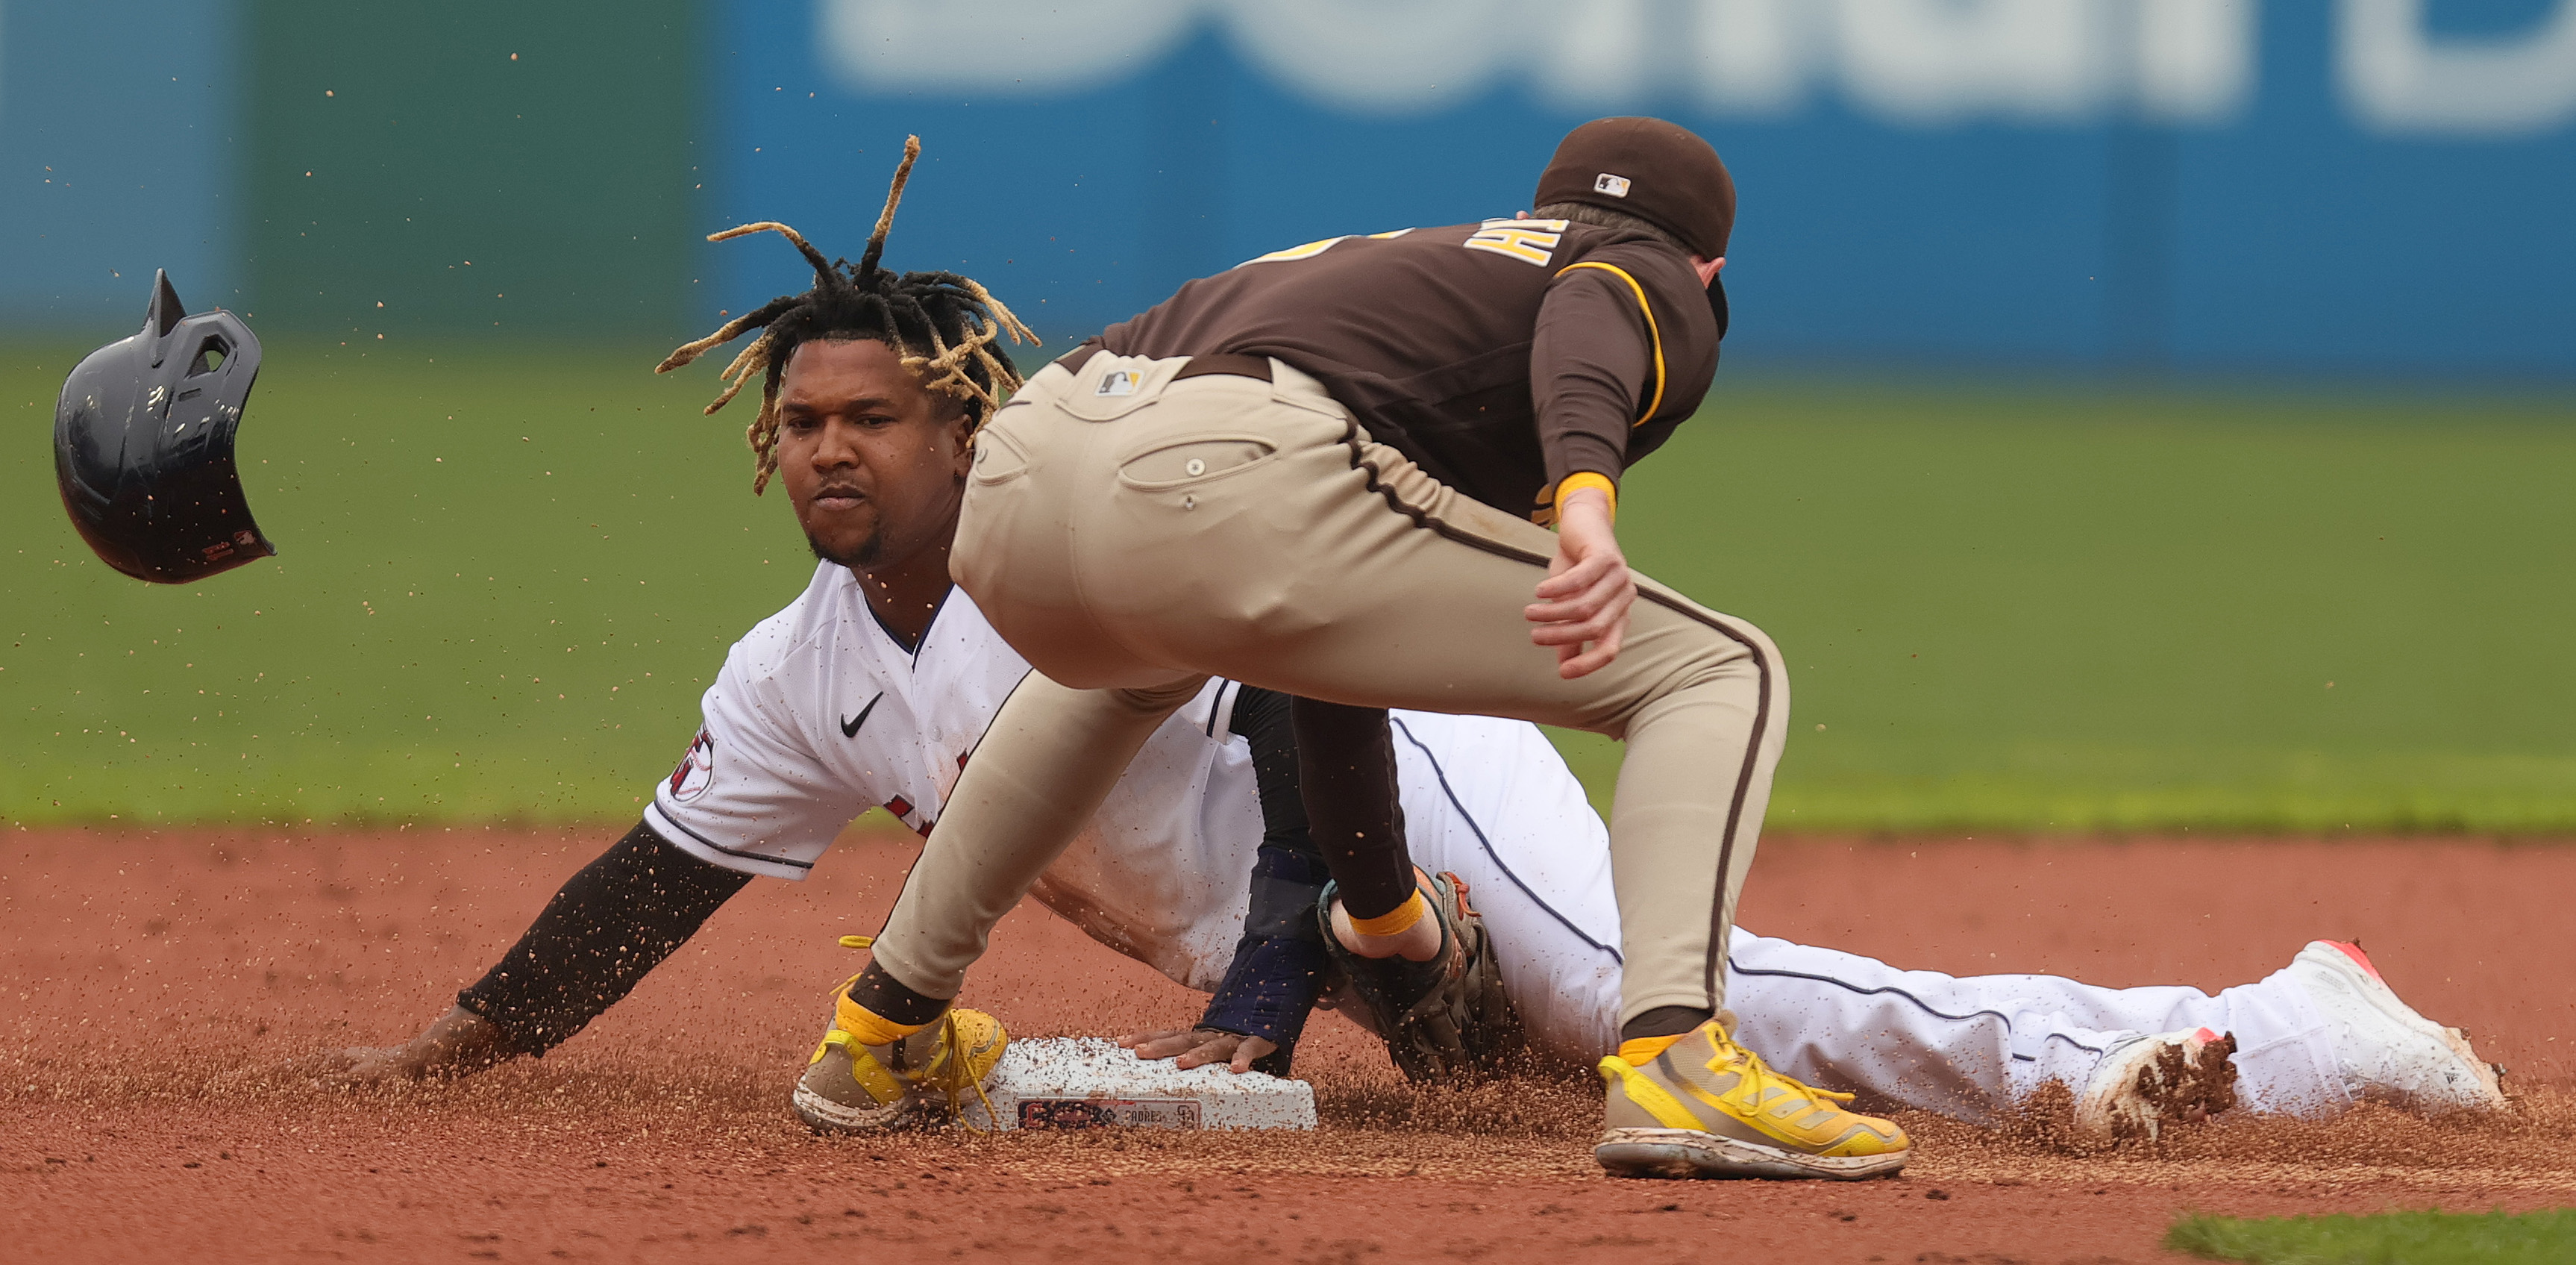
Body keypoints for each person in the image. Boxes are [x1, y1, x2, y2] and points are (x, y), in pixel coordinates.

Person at [322, 146, 2509, 1149]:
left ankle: (2246, 1033)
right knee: (1497, 1053)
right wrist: (453, 1050)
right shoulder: (808, 666)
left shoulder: (1109, 506)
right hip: (1322, 819)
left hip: (1391, 745)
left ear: (964, 416)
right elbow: (660, 872)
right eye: (795, 422)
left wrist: (1307, 964)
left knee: (1630, 992)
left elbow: (1302, 663)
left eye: (865, 413)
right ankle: (971, 1019)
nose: (823, 450)